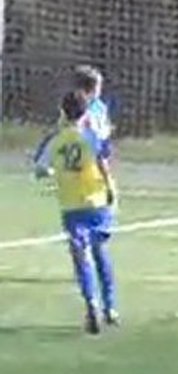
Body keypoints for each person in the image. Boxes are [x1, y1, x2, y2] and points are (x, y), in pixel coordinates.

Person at [34, 91, 119, 334]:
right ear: (85, 112)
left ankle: (90, 303)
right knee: (100, 250)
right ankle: (110, 307)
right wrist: (111, 189)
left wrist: (54, 173)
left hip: (71, 206)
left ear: (62, 112)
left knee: (80, 255)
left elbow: (40, 169)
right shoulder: (91, 136)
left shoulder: (56, 140)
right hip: (97, 201)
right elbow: (104, 163)